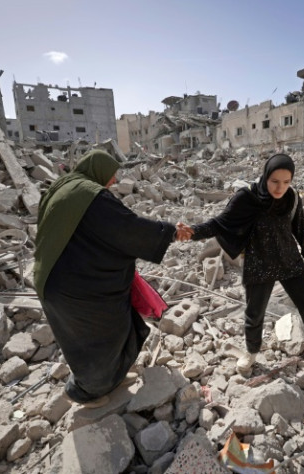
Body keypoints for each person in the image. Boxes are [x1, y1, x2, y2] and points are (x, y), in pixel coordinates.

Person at [33, 149, 190, 407]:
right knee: (100, 338)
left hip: (54, 279)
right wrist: (170, 231)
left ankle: (111, 379)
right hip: (75, 288)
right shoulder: (91, 196)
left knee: (99, 332)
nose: (115, 181)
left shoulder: (63, 188)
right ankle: (85, 391)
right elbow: (128, 229)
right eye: (112, 175)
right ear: (100, 172)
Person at [179, 153, 304, 375]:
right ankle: (251, 352)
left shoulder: (291, 197)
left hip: (289, 261)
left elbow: (300, 229)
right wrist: (193, 232)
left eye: (286, 182)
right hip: (259, 262)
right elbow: (219, 224)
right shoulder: (247, 197)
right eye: (275, 181)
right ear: (265, 176)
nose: (280, 187)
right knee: (254, 315)